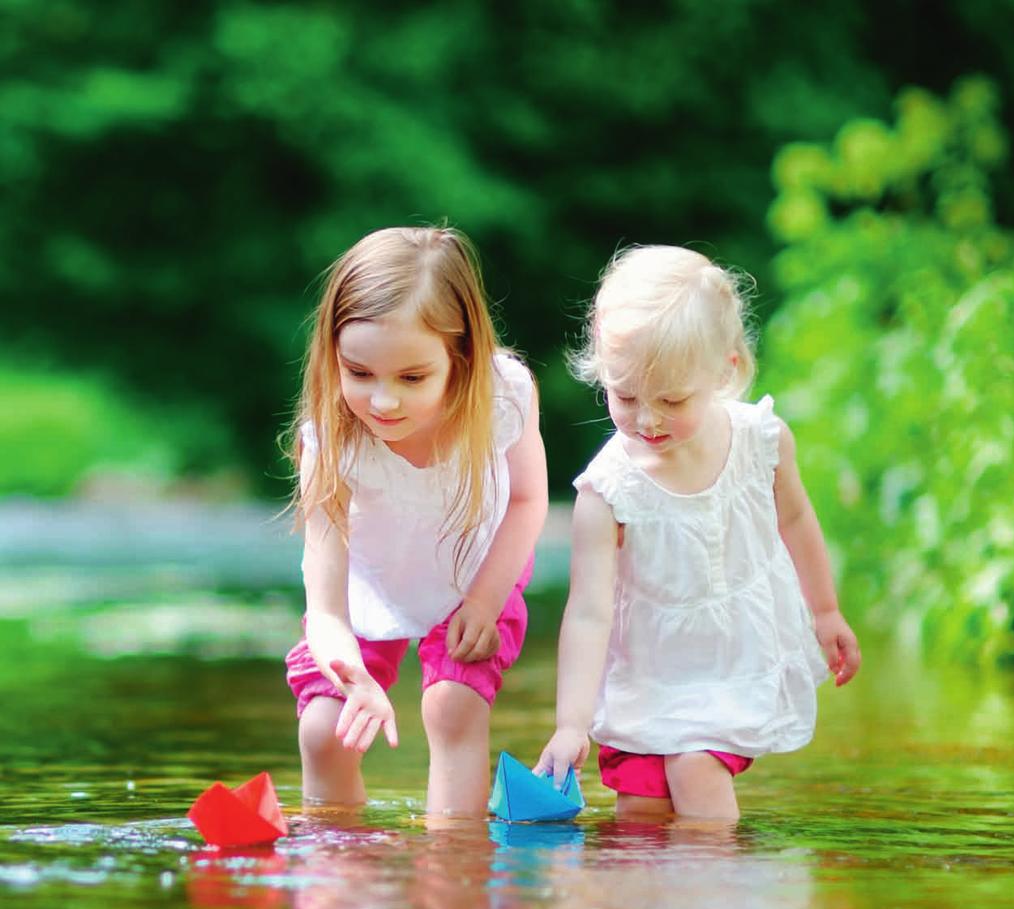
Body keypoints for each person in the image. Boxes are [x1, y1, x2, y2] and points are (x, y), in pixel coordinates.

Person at [534, 245, 860, 820]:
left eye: (671, 399)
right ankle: (650, 908)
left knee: (695, 770)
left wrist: (826, 611)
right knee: (639, 813)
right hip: (647, 668)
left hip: (728, 658)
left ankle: (717, 902)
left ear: (726, 370)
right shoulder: (607, 493)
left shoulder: (763, 441)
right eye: (626, 396)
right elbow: (588, 612)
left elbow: (795, 519)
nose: (647, 420)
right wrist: (570, 724)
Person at [285, 226, 547, 814]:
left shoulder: (502, 397)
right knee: (325, 731)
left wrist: (484, 602)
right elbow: (325, 604)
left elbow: (529, 502)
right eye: (359, 373)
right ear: (333, 355)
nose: (383, 402)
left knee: (452, 706)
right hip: (370, 581)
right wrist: (348, 668)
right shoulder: (332, 439)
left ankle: (452, 875)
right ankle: (340, 876)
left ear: (462, 358)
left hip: (475, 569)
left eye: (411, 378)